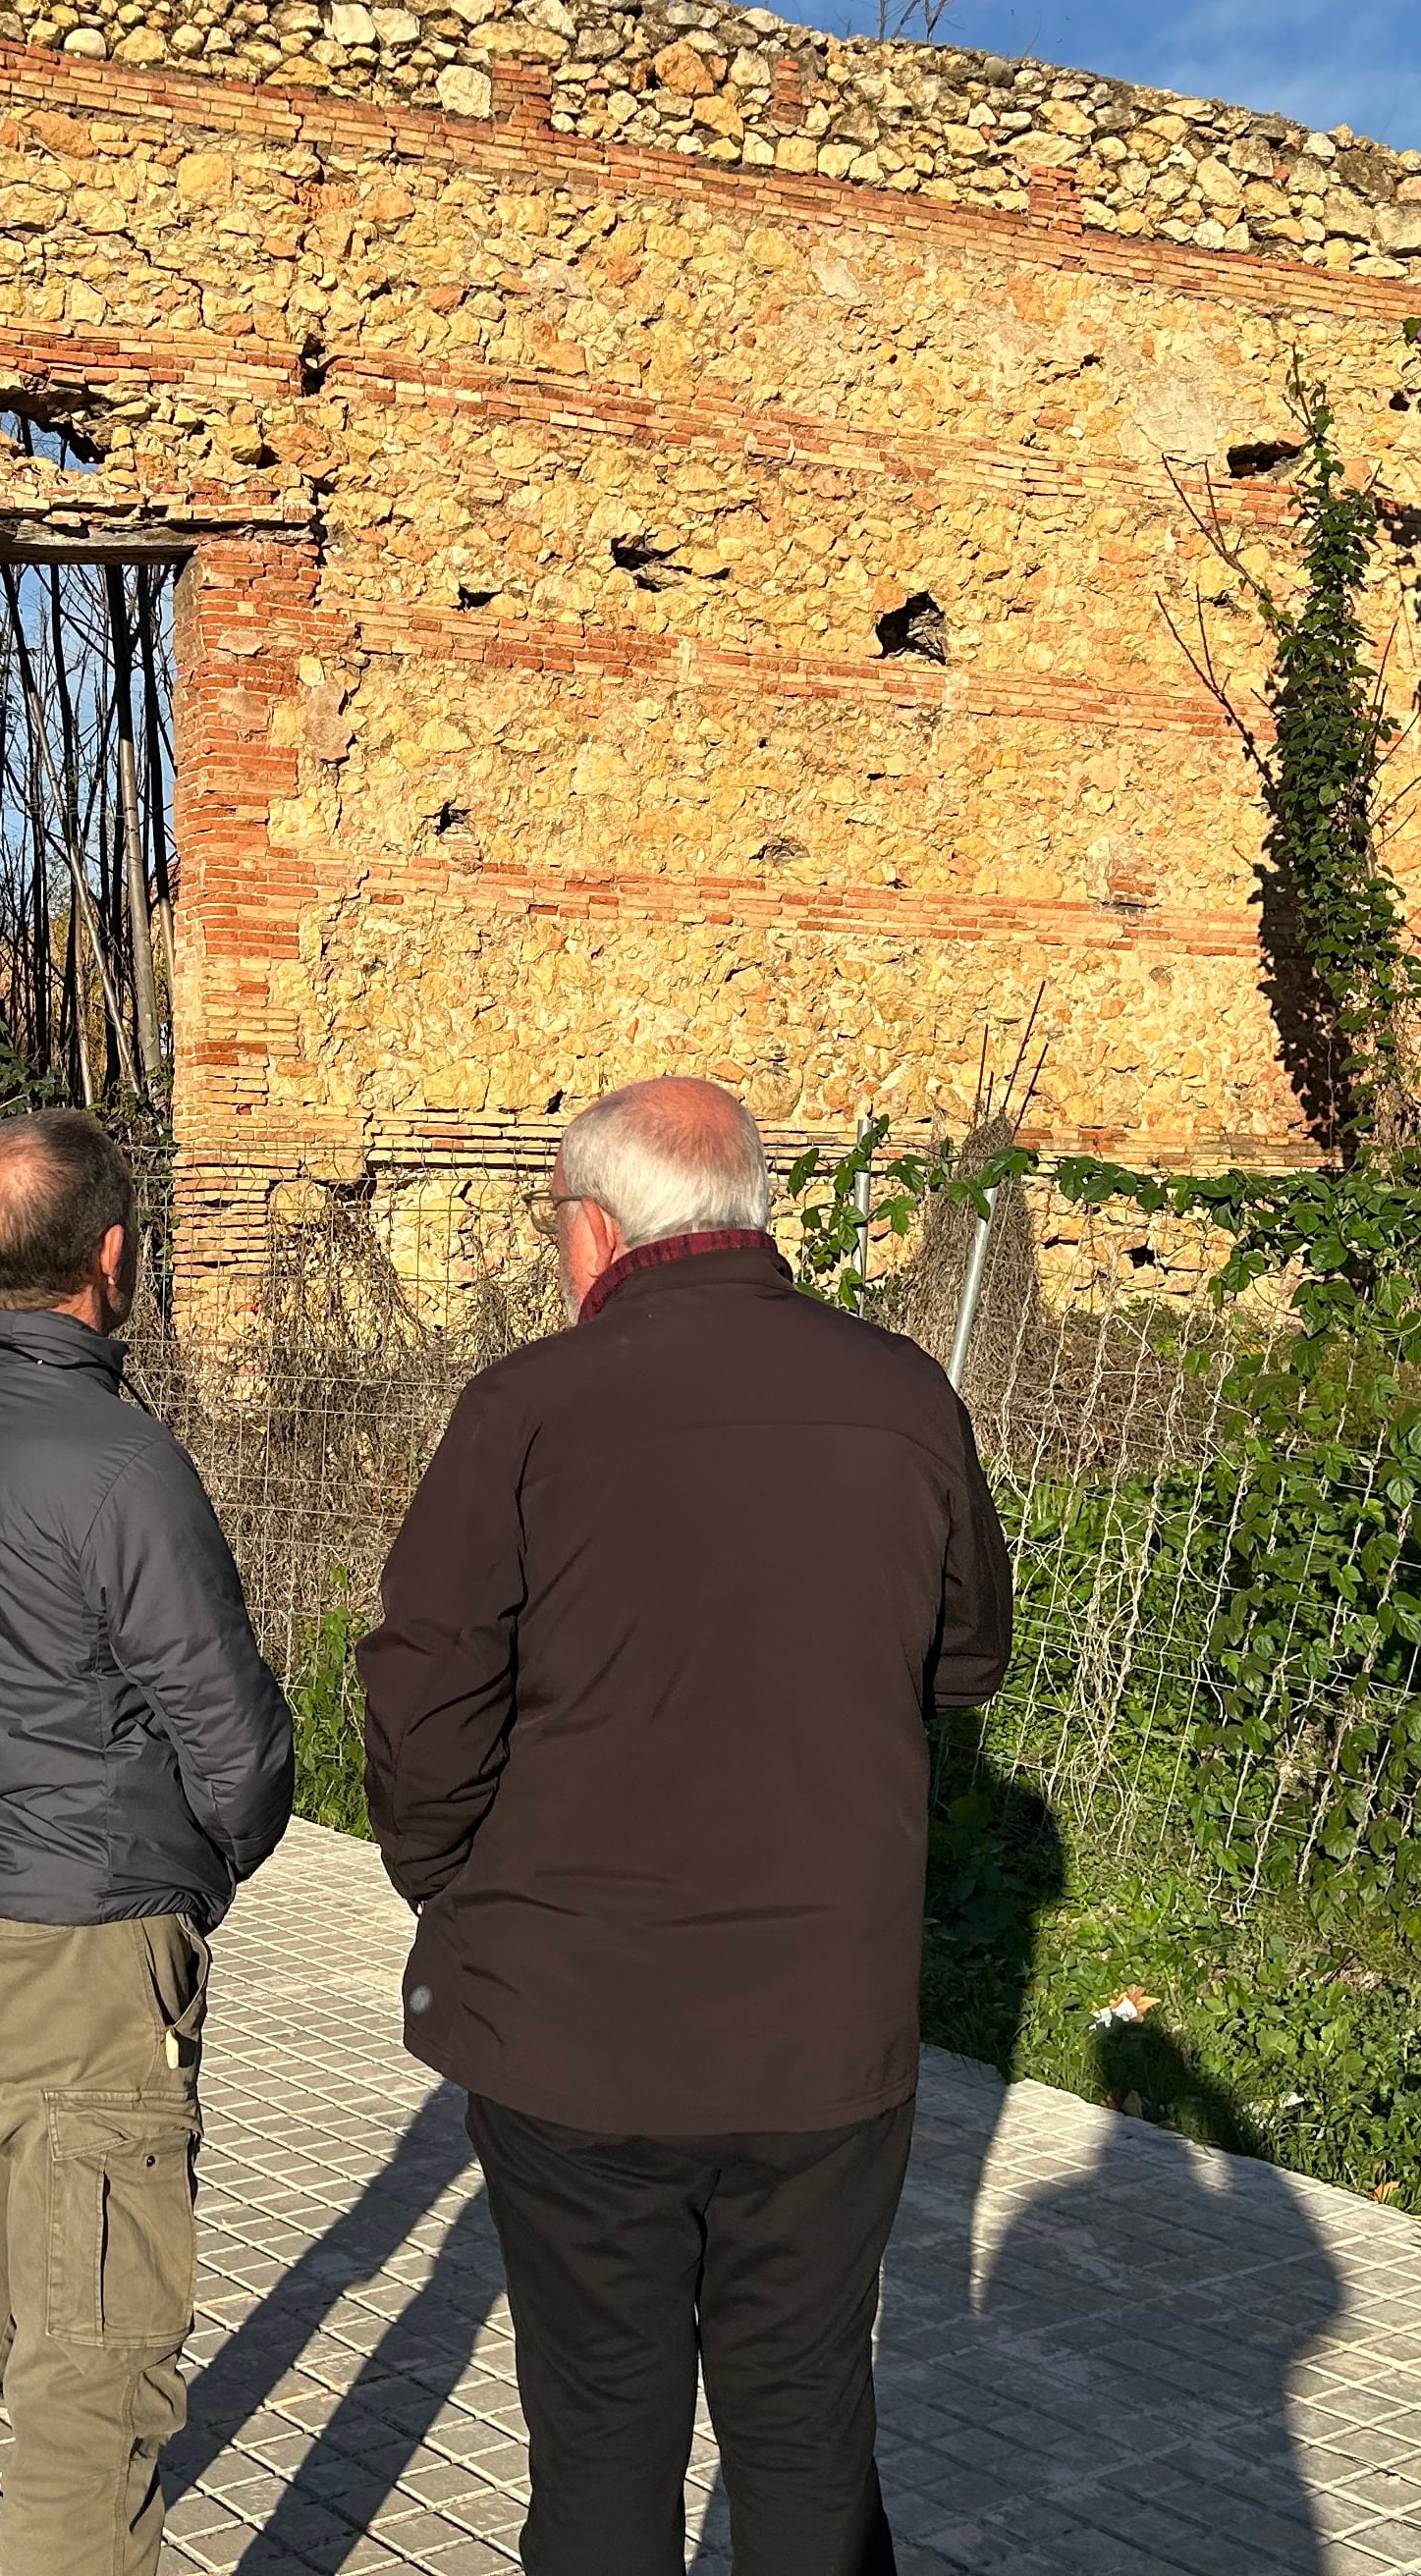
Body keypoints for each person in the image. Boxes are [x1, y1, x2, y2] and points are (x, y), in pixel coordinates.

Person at [357, 1076, 1016, 2576]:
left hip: (579, 2031)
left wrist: (456, 1889)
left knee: (601, 2433)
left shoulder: (528, 1407)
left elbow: (423, 1703)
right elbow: (966, 1655)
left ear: (591, 1231)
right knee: (804, 2425)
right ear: (752, 1214)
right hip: (819, 2031)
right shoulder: (905, 1395)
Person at [0, 1109, 297, 2576]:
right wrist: (199, 1880)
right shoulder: (123, 1468)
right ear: (116, 1255)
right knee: (93, 2379)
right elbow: (233, 1741)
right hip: (79, 1951)